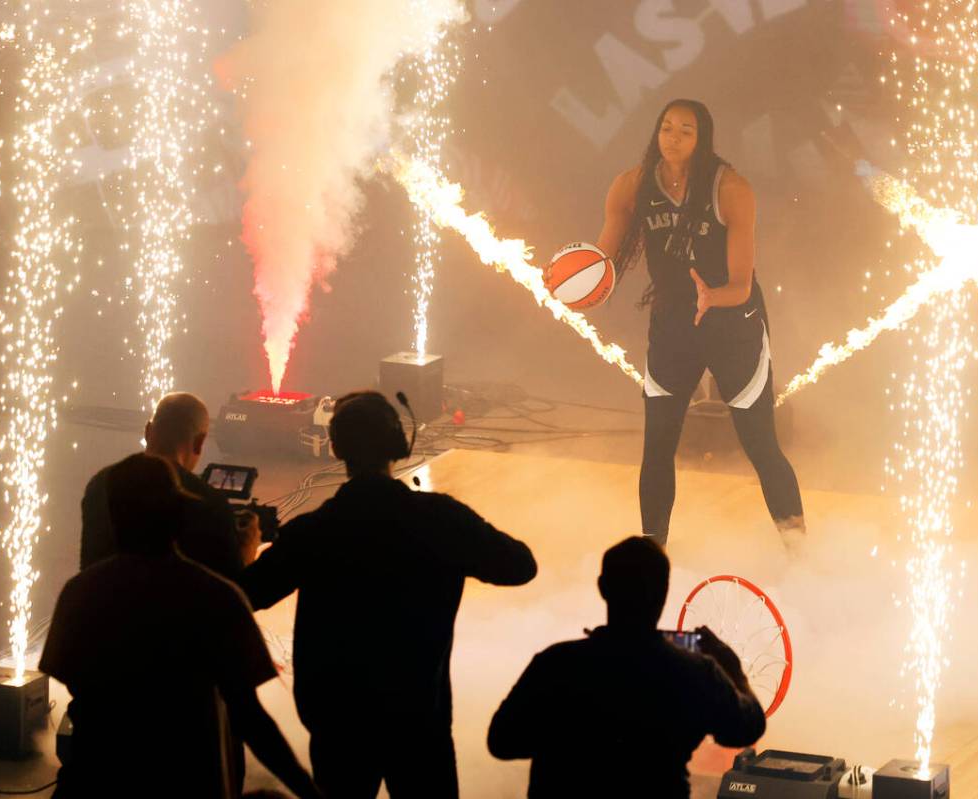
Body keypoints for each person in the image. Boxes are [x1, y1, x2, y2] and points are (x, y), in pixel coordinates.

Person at [238, 390, 538, 798]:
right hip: (418, 721)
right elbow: (521, 566)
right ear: (400, 444)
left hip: (338, 724)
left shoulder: (314, 531)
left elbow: (244, 595)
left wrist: (241, 549)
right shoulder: (442, 519)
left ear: (337, 447)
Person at [587, 98, 804, 549]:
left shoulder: (731, 190)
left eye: (686, 130)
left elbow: (742, 285)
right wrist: (578, 282)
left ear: (702, 138)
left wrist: (713, 297)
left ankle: (799, 550)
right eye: (667, 127)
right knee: (658, 446)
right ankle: (654, 553)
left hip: (732, 323)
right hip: (675, 324)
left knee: (761, 446)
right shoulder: (631, 186)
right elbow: (601, 262)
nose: (674, 137)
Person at [39, 453, 320, 799]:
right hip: (190, 780)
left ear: (113, 517)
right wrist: (306, 789)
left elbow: (68, 676)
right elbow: (250, 717)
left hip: (94, 778)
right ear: (178, 514)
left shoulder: (79, 593)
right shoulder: (216, 596)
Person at [487, 536, 765, 798]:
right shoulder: (695, 672)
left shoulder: (556, 662)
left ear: (602, 587)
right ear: (664, 591)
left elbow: (501, 742)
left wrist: (570, 742)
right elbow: (748, 728)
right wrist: (732, 666)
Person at [80, 391, 247, 578]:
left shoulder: (100, 484)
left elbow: (89, 565)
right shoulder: (210, 503)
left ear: (148, 431)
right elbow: (233, 591)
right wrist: (245, 553)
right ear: (199, 443)